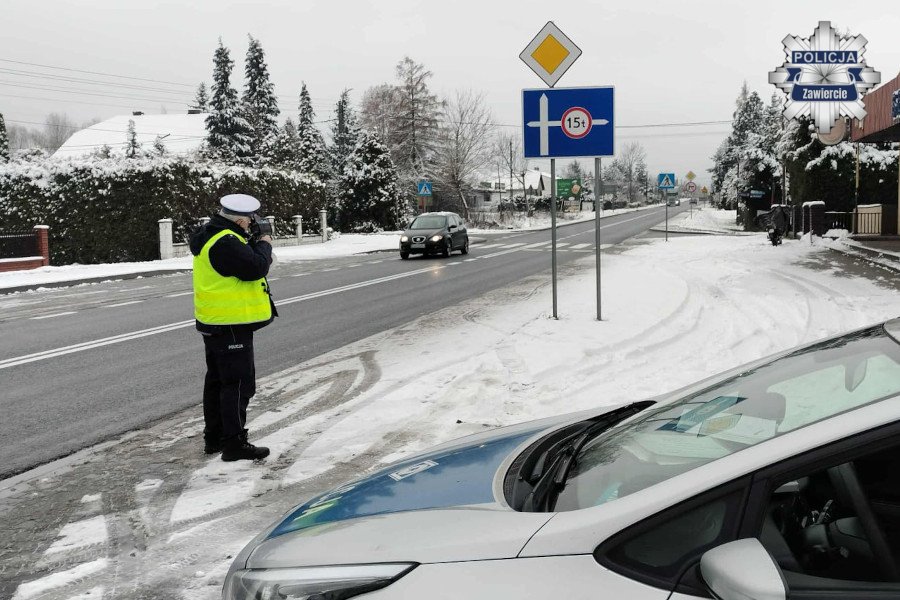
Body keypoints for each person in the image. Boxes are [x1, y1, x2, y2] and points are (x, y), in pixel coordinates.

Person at [189, 193, 277, 462]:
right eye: (250, 221)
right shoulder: (225, 242)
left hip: (215, 321)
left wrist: (251, 241)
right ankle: (235, 444)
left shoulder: (212, 234)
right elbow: (255, 267)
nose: (252, 225)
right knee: (238, 384)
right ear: (240, 219)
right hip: (231, 324)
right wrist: (265, 242)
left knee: (217, 381)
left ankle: (215, 438)